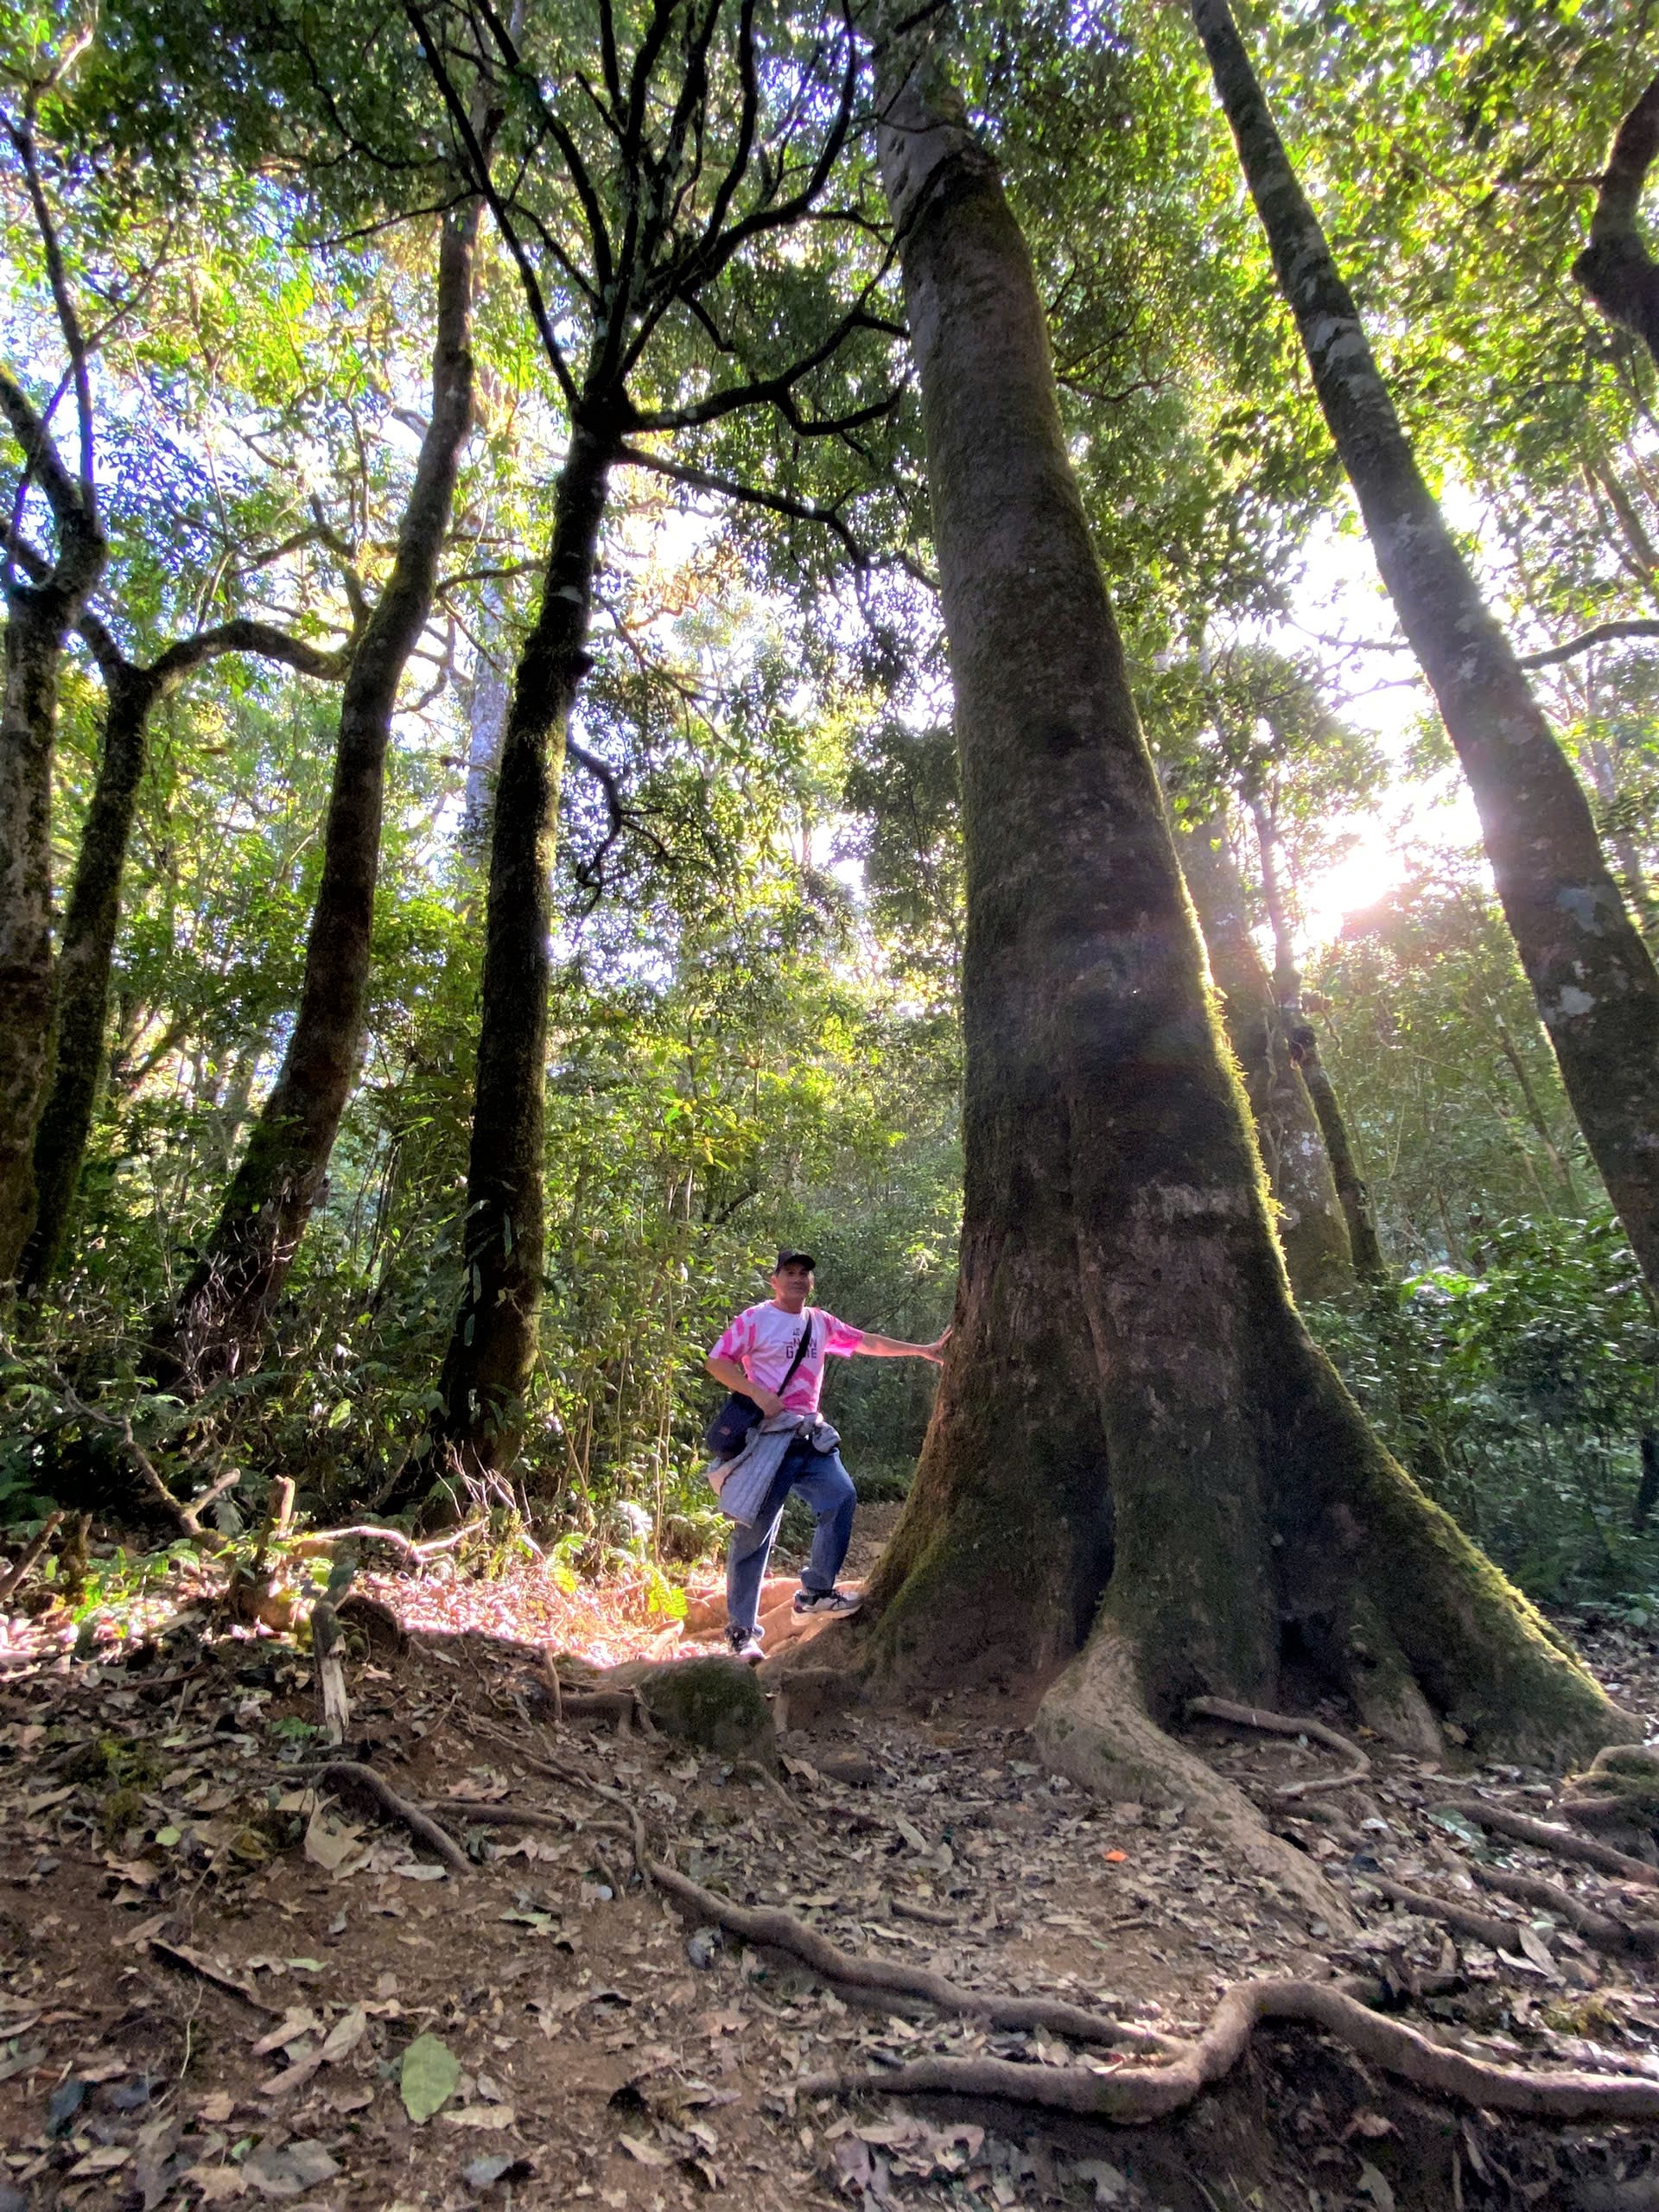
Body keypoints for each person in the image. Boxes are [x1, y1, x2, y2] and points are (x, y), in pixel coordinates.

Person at [706, 1249, 950, 1662]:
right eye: (789, 1272)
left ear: (811, 1282)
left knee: (841, 1496)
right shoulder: (755, 1319)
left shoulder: (819, 1322)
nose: (798, 1278)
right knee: (754, 1534)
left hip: (809, 1437)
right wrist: (757, 1393)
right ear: (775, 1281)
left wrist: (922, 1350)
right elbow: (717, 1362)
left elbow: (867, 1341)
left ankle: (816, 1592)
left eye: (804, 1273)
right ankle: (742, 1633)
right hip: (768, 1440)